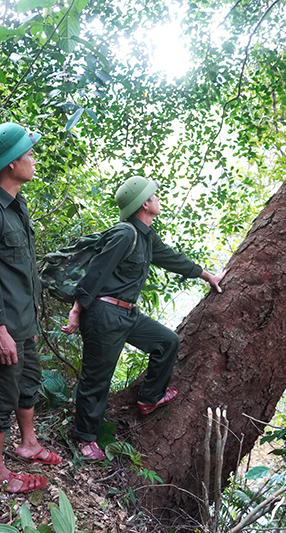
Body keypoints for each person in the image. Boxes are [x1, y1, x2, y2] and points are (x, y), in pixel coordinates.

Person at [62, 176, 226, 460]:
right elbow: (95, 273)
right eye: (154, 196)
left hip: (127, 313)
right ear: (145, 203)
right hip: (104, 313)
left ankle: (150, 398)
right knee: (96, 379)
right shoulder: (125, 234)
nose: (158, 199)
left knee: (167, 342)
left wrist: (207, 275)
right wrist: (77, 311)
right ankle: (84, 438)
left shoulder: (146, 236)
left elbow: (173, 259)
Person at [0, 122, 60, 494]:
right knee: (1, 396)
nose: (33, 160)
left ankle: (29, 443)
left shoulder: (15, 207)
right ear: (10, 164)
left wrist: (28, 321)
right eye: (28, 154)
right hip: (2, 329)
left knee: (28, 382)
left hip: (22, 323)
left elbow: (18, 271)